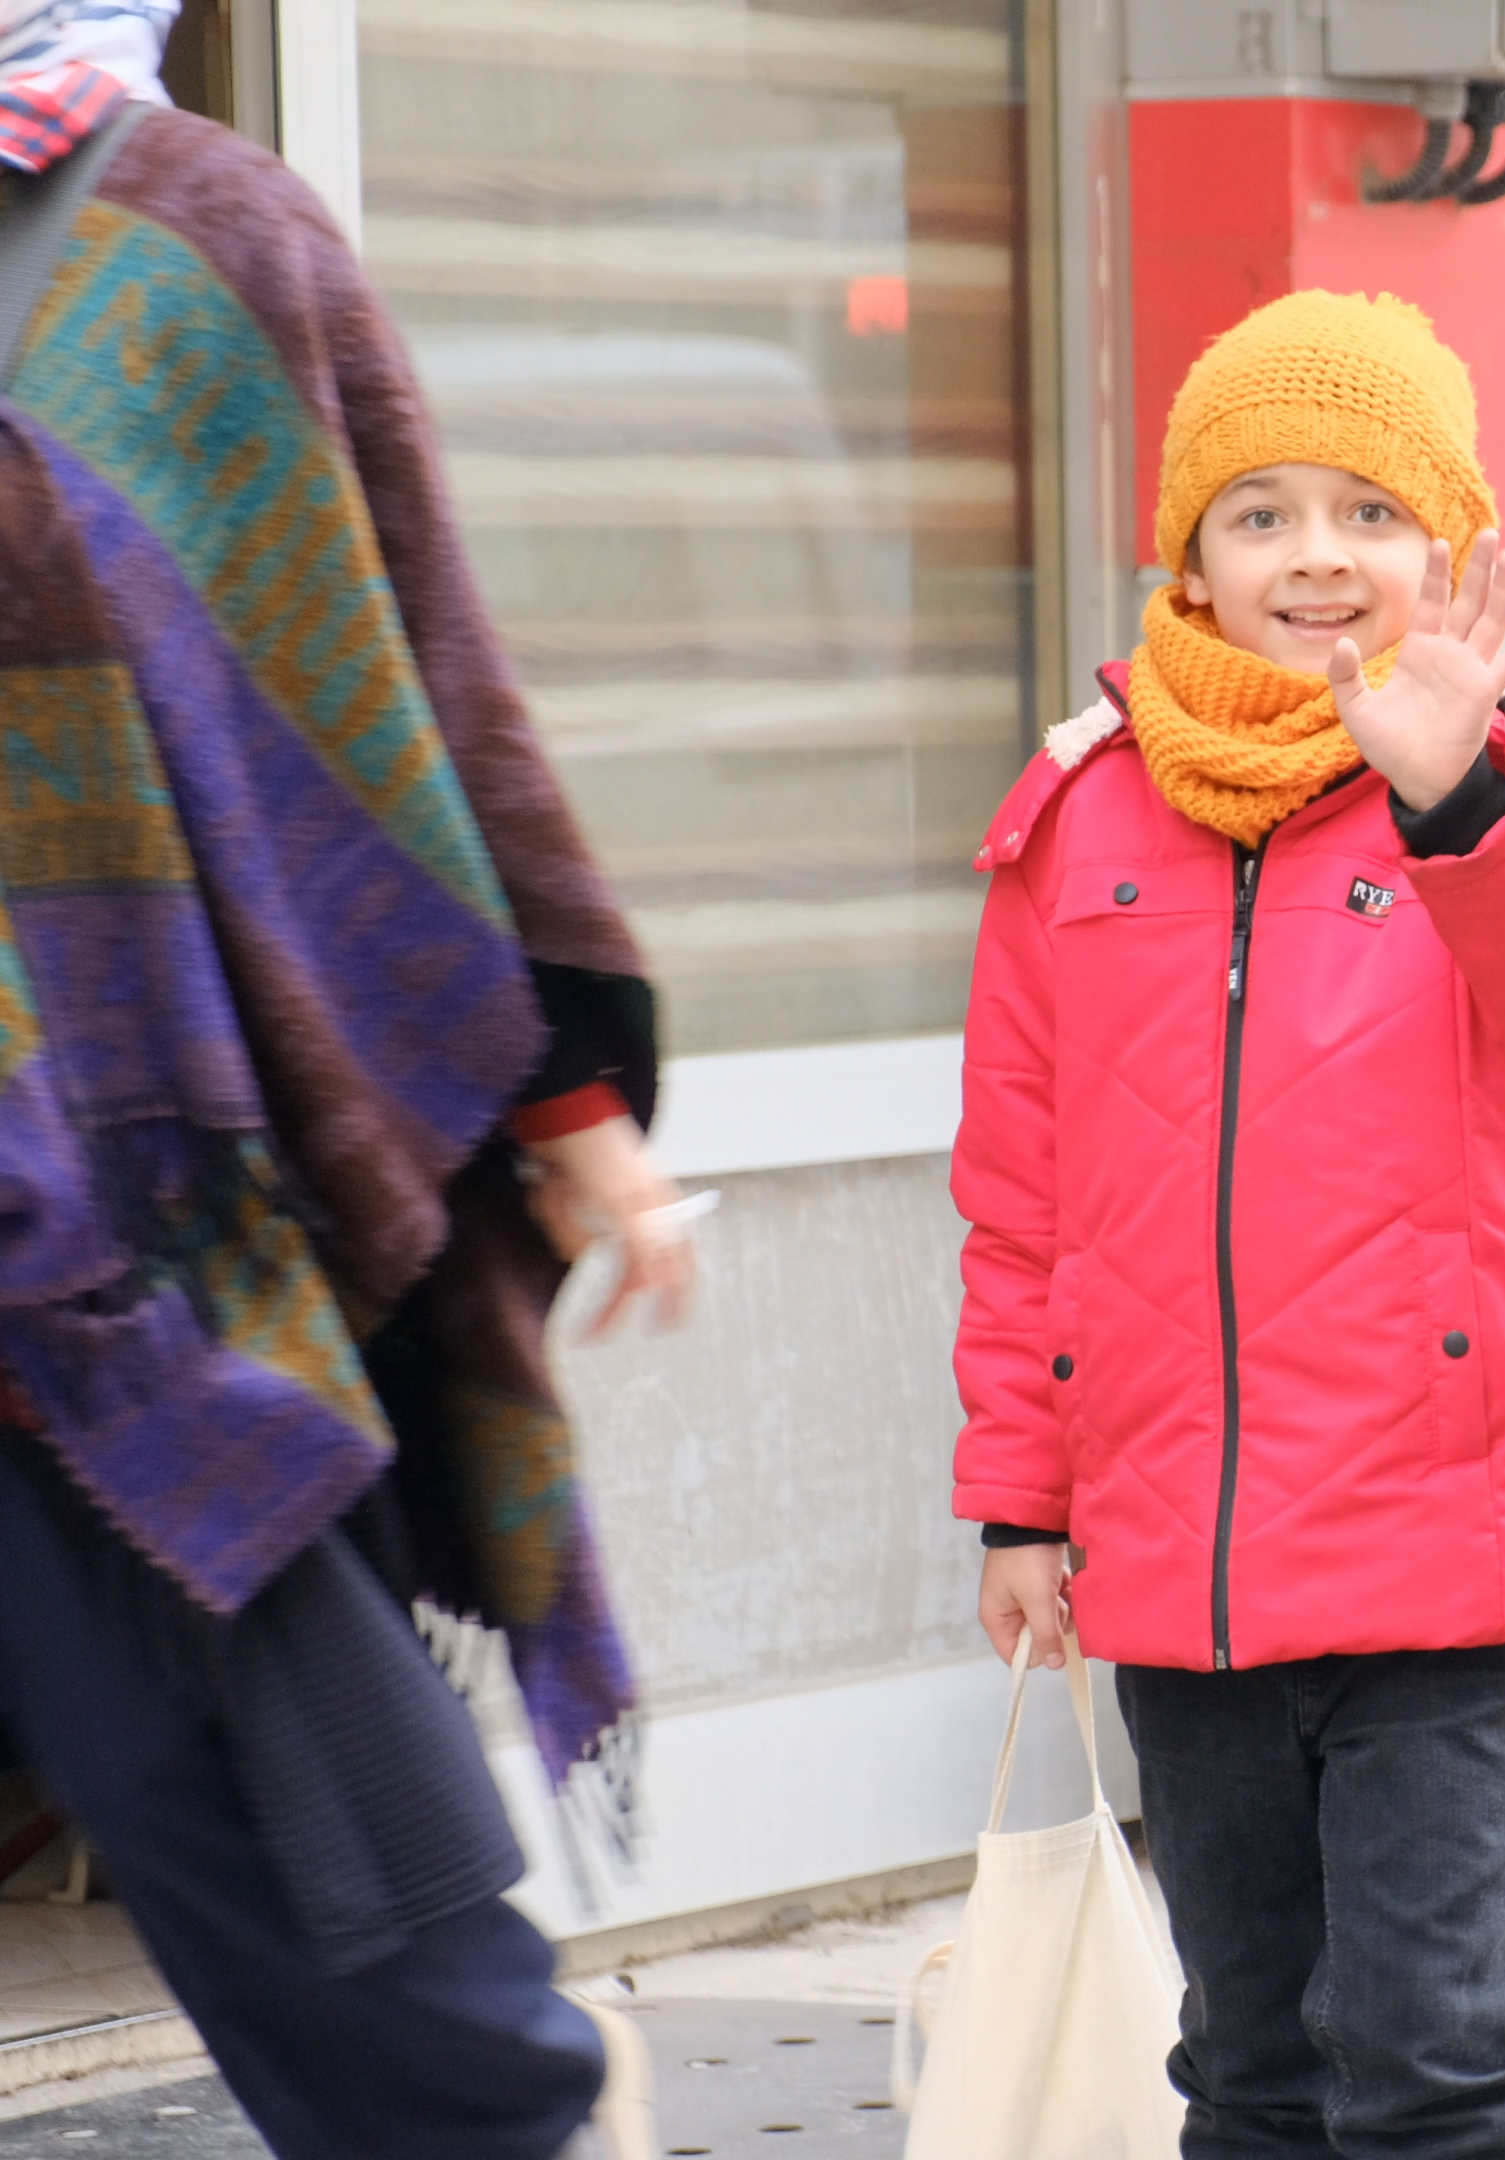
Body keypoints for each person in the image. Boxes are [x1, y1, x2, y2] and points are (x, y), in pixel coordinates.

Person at [0, 7, 692, 2153]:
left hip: (119, 1251)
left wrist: (567, 1116)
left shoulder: (192, 236)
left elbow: (393, 693)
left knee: (351, 1930)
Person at [952, 290, 1505, 2157]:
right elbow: (1025, 1195)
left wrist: (1460, 796)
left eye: (1368, 510)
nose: (1316, 557)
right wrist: (1025, 1496)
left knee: (1428, 2062)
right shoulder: (1079, 810)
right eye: (1260, 511)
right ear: (1190, 558)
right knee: (1252, 2075)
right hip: (1185, 1564)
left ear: (1448, 539)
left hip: (1450, 1542)